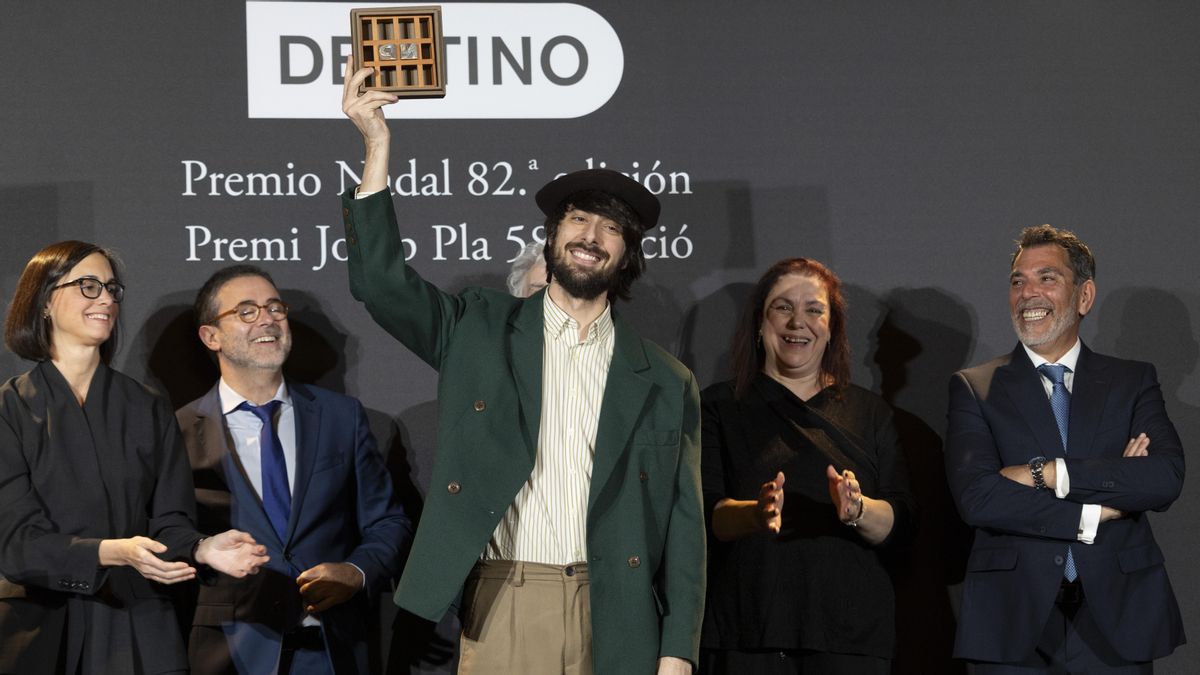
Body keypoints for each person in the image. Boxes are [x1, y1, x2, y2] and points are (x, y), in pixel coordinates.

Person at [339, 56, 705, 674]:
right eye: (578, 218)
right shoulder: (478, 328)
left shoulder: (667, 379)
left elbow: (683, 524)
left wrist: (678, 651)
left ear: (628, 255)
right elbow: (381, 284)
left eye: (611, 227)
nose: (591, 234)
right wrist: (376, 144)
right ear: (552, 235)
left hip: (621, 611)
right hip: (509, 597)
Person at [0, 241, 268, 675]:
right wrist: (112, 551)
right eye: (88, 286)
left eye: (111, 288)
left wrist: (202, 548)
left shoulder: (146, 406)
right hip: (38, 630)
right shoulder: (8, 410)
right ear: (45, 300)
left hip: (137, 629)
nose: (106, 298)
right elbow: (16, 545)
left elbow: (170, 522)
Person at [945, 225, 1185, 672]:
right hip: (1013, 619)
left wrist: (1048, 473)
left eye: (1046, 278)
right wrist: (1098, 509)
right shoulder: (975, 387)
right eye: (1018, 281)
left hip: (1115, 617)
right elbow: (979, 497)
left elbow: (1163, 477)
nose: (1027, 293)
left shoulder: (1132, 381)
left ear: (1085, 296)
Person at [177, 264, 413, 674]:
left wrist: (357, 572)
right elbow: (165, 532)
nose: (267, 319)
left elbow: (388, 522)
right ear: (210, 335)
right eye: (246, 311)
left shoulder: (341, 416)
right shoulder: (177, 430)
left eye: (275, 308)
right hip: (228, 651)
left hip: (331, 647)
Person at [698, 258, 916, 674]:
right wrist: (756, 514)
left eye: (814, 309)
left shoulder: (871, 413)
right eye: (783, 307)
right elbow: (706, 516)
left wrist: (857, 510)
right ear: (760, 324)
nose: (799, 321)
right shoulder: (717, 407)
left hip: (850, 640)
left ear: (831, 327)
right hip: (746, 634)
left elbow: (903, 520)